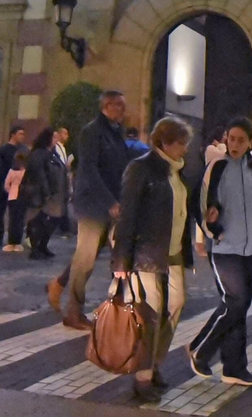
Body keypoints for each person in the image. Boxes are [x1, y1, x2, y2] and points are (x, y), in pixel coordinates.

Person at [112, 116, 195, 402]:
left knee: (175, 304)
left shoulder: (177, 171)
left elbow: (183, 210)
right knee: (149, 314)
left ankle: (155, 363)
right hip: (146, 255)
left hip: (171, 253)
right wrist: (121, 262)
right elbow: (127, 216)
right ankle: (143, 376)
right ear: (166, 142)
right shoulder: (141, 169)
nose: (185, 149)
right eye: (181, 144)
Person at [189, 118, 252, 386]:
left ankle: (234, 366)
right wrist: (212, 226)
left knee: (239, 306)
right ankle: (201, 350)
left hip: (249, 247)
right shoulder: (217, 167)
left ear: (250, 142)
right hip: (224, 246)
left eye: (240, 140)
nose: (234, 144)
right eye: (231, 138)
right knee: (236, 301)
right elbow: (198, 201)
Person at [49, 90, 132, 330]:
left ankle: (59, 284)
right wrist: (110, 201)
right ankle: (73, 313)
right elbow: (90, 171)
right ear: (107, 106)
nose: (123, 111)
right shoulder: (92, 132)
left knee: (97, 255)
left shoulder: (116, 133)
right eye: (119, 106)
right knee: (85, 259)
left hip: (112, 204)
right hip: (93, 205)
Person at [23, 128, 66, 260]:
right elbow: (39, 175)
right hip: (42, 194)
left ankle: (43, 245)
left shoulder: (53, 154)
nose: (56, 140)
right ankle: (36, 248)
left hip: (56, 193)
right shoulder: (39, 154)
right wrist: (46, 192)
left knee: (53, 220)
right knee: (39, 221)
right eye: (53, 137)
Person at [4, 149, 29, 252]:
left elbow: (6, 184)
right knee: (20, 220)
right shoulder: (26, 172)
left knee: (12, 220)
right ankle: (17, 242)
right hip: (22, 197)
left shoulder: (11, 171)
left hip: (12, 197)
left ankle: (11, 242)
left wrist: (10, 191)